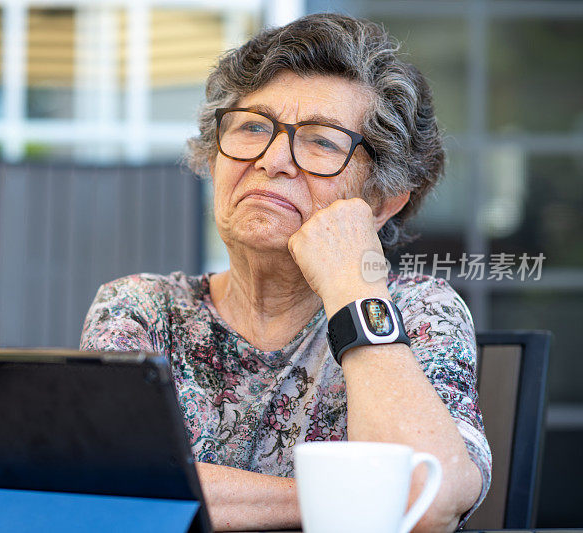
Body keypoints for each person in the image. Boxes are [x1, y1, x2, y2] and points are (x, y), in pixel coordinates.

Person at [80, 12, 490, 532]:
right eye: (253, 127)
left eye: (321, 141)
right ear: (213, 158)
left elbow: (426, 504)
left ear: (382, 201)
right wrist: (346, 499)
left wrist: (353, 285)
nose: (274, 160)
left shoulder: (418, 309)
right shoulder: (140, 308)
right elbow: (108, 486)